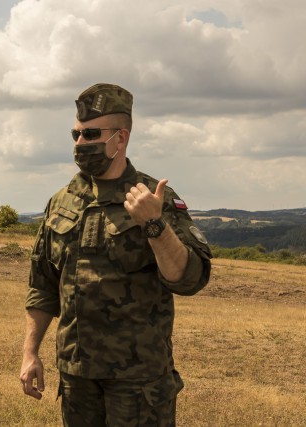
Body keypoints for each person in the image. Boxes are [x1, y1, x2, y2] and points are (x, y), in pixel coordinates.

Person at [19, 83, 212, 426]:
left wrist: (154, 224)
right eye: (75, 135)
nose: (80, 144)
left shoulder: (155, 199)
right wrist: (30, 353)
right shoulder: (62, 201)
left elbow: (192, 278)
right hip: (77, 376)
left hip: (138, 380)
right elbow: (43, 286)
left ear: (120, 138)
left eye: (91, 134)